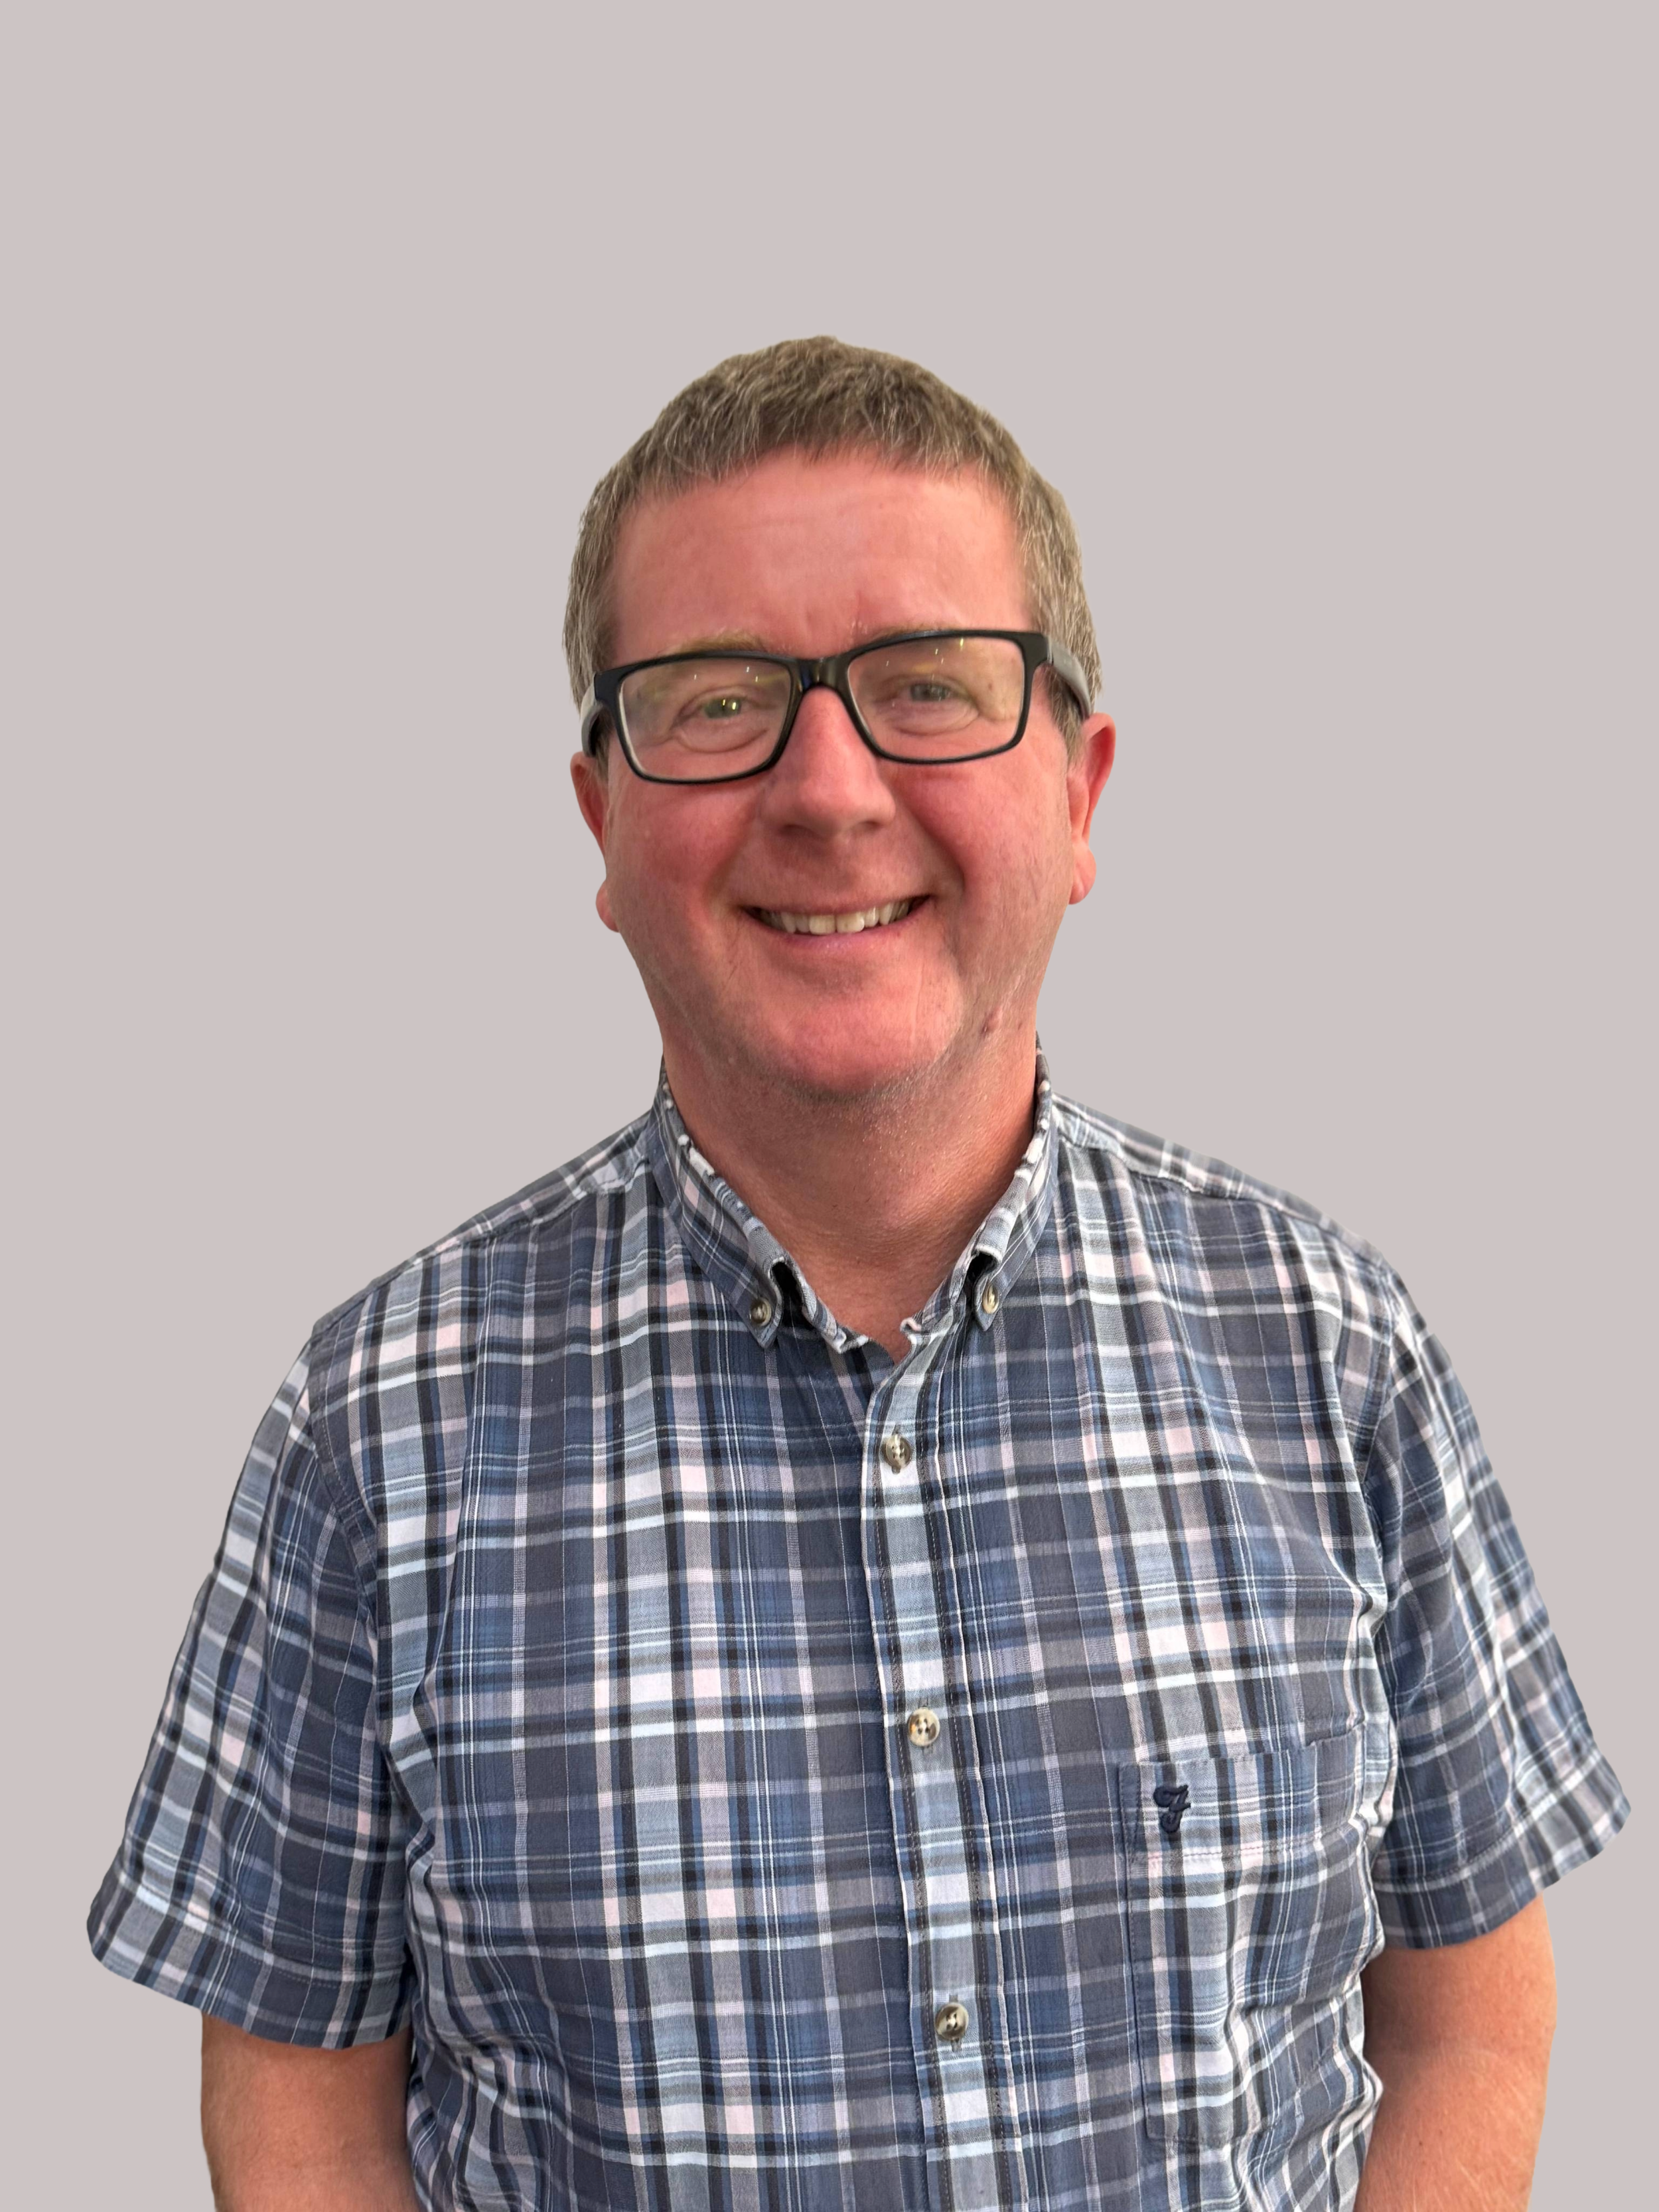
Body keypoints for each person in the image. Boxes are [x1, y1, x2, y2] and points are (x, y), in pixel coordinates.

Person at [89, 336, 1626, 2212]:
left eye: (928, 689)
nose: (827, 791)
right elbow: (298, 2101)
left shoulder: (1333, 1349)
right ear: (600, 822)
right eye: (720, 700)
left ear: (1080, 791)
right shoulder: (376, 1427)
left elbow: (1471, 2010)